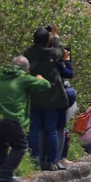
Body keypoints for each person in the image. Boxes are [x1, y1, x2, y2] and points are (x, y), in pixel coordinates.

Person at [0, 56, 48, 182]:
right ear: (27, 69)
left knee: (2, 144)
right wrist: (40, 78)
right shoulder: (23, 77)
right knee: (21, 146)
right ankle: (5, 174)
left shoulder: (1, 75)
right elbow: (45, 85)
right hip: (8, 118)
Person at [24, 26, 69, 170]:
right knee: (51, 130)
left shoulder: (28, 54)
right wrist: (55, 37)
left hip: (34, 97)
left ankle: (33, 160)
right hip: (52, 98)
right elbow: (61, 50)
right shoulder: (51, 53)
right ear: (46, 41)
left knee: (34, 129)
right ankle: (51, 161)